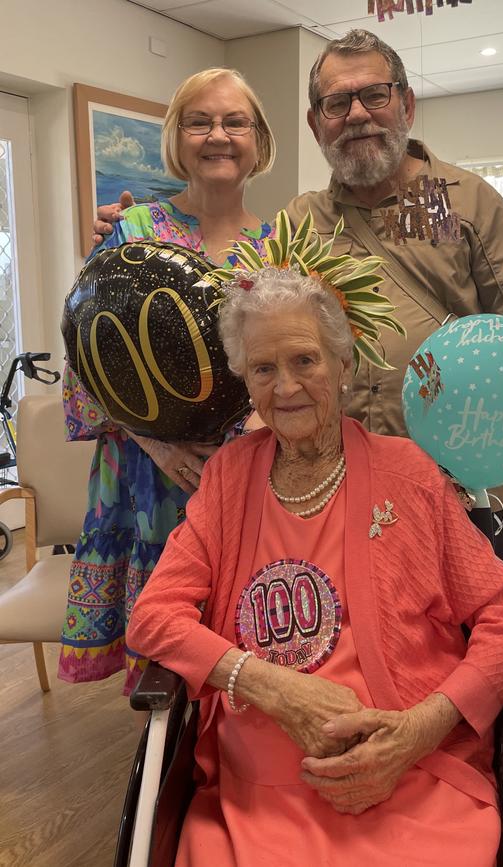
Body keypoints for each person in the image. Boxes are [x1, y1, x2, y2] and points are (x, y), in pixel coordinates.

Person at [126, 242, 503, 866]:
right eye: (264, 369)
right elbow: (154, 616)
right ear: (246, 380)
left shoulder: (408, 474)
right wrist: (271, 687)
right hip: (256, 791)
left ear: (343, 363)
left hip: (408, 773)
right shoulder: (228, 478)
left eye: (305, 360)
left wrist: (416, 733)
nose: (287, 386)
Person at [93, 30, 503, 564]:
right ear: (316, 123)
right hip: (338, 498)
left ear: (405, 103)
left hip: (452, 491)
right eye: (337, 103)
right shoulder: (299, 222)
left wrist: (482, 467)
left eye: (375, 95)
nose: (357, 114)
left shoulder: (465, 202)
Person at [58, 68, 275, 694]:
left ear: (258, 140)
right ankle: (163, 775)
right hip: (146, 474)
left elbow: (283, 361)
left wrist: (253, 432)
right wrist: (160, 444)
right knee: (163, 669)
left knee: (237, 655)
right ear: (177, 140)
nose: (218, 135)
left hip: (242, 476)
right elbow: (86, 362)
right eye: (199, 121)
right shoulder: (130, 232)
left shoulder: (278, 247)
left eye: (235, 121)